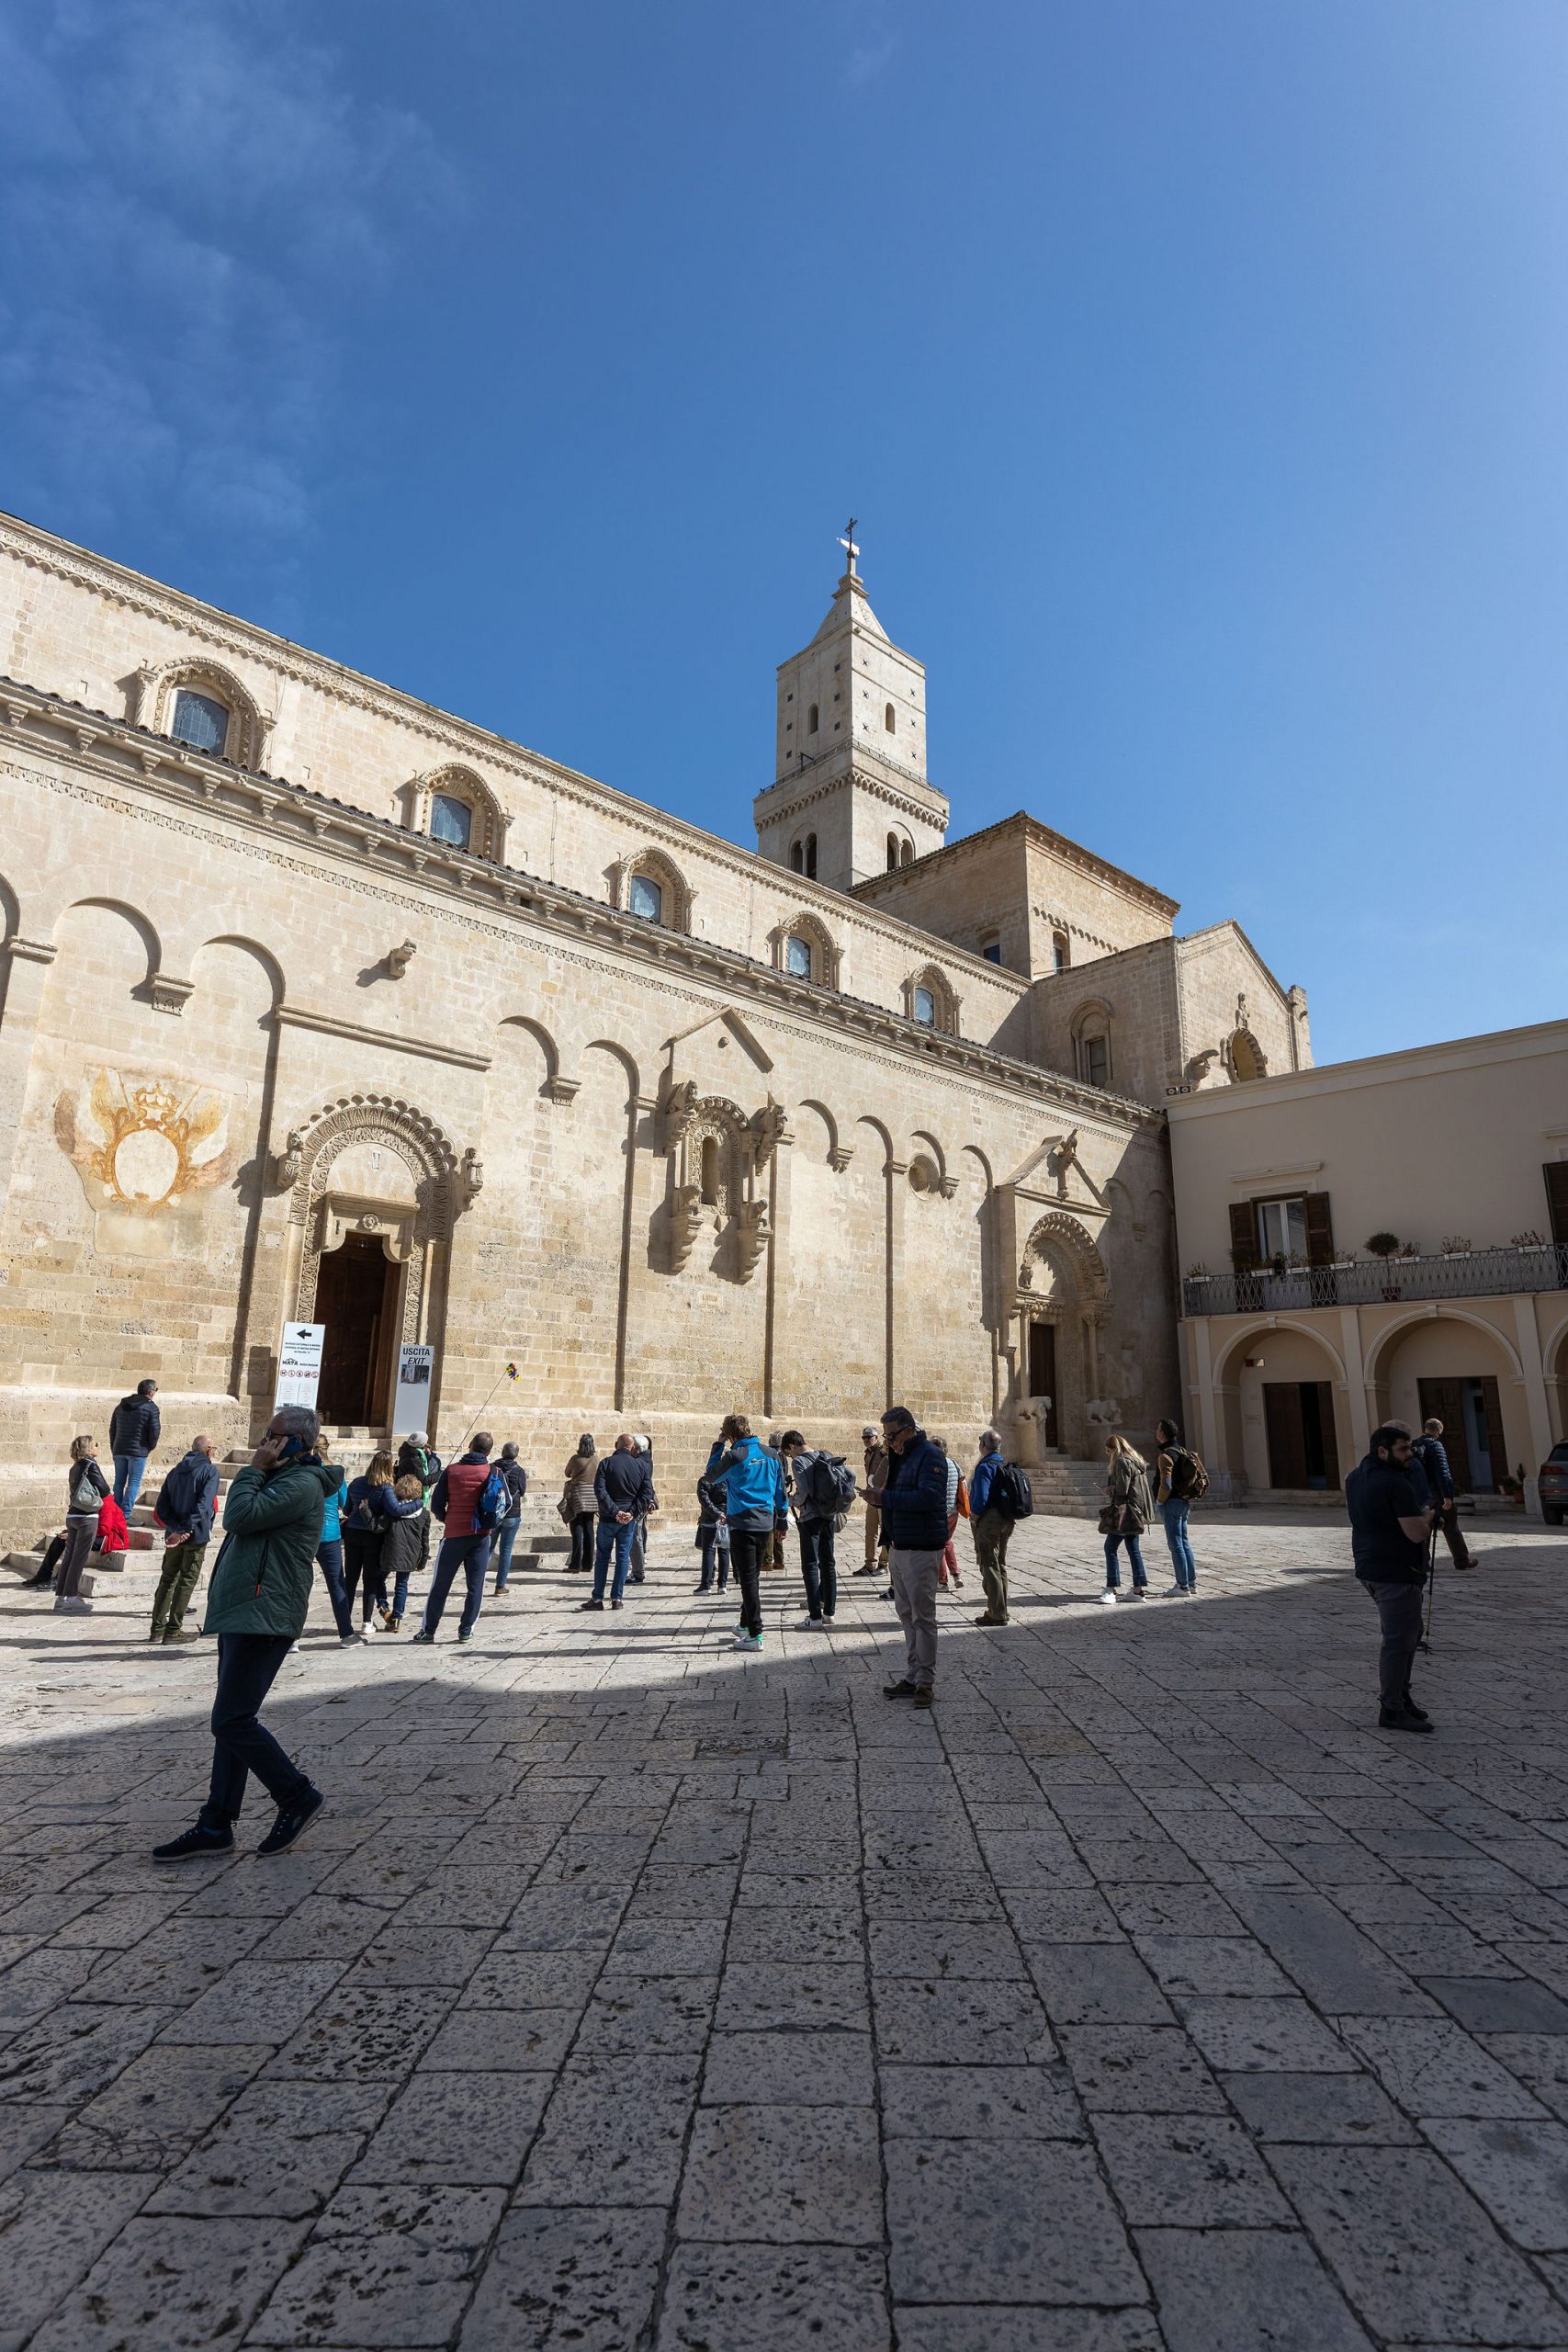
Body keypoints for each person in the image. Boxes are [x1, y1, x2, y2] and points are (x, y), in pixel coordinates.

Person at [152, 1404, 335, 1861]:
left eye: (271, 1436)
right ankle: (217, 1824)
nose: (262, 1443)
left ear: (293, 1442)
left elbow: (238, 1516)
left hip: (265, 1612)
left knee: (232, 1721)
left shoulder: (301, 1482)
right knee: (231, 1721)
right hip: (245, 1608)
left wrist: (253, 1471)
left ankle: (296, 1796)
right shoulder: (282, 1476)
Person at [1347, 1421, 1437, 1733]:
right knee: (1399, 1640)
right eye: (1403, 1449)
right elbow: (1415, 1533)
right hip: (1396, 1570)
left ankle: (1401, 1694)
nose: (1410, 1453)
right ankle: (1392, 1708)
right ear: (1382, 1451)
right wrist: (1428, 1516)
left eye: (1410, 1447)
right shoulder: (1396, 1484)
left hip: (1368, 1566)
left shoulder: (1355, 1478)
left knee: (1411, 1631)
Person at [879, 1407, 952, 1707]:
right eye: (886, 1436)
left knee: (923, 1617)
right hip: (899, 1545)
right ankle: (912, 1675)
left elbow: (928, 1498)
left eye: (892, 1435)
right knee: (906, 1615)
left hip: (921, 1547)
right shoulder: (902, 1456)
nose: (889, 1441)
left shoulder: (930, 1456)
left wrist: (883, 1497)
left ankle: (925, 1683)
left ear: (909, 1429)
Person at [705, 1414, 788, 1652]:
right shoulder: (771, 1454)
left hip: (742, 1525)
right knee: (753, 1577)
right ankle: (744, 1625)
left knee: (748, 1580)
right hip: (765, 1523)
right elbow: (780, 1490)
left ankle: (755, 1633)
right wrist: (781, 1521)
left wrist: (718, 1445)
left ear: (731, 1435)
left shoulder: (734, 1456)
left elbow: (711, 1476)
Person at [413, 1431, 499, 1645]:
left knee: (440, 1584)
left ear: (469, 1445)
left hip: (454, 1535)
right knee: (475, 1586)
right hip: (481, 1536)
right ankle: (466, 1630)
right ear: (488, 1452)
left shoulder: (452, 1471)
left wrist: (448, 1519)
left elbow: (436, 1505)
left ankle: (429, 1631)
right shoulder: (493, 1471)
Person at [148, 1432, 220, 1645]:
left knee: (168, 1580)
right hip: (194, 1534)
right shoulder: (209, 1471)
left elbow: (162, 1506)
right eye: (213, 1449)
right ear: (207, 1451)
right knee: (186, 1580)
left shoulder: (175, 1471)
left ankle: (157, 1629)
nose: (214, 1452)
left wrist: (175, 1529)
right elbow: (204, 1504)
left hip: (174, 1535)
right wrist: (185, 1529)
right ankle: (173, 1630)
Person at [342, 1452, 422, 1635]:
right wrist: (418, 1504)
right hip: (372, 1537)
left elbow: (347, 1509)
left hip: (353, 1533)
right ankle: (366, 1622)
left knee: (350, 1579)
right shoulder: (385, 1488)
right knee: (370, 1579)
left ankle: (344, 1620)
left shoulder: (356, 1483)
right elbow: (396, 1510)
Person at [581, 1433, 656, 1612]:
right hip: (628, 1520)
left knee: (602, 1558)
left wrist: (615, 1511)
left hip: (608, 1518)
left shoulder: (606, 1463)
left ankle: (598, 1598)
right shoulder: (641, 1466)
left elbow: (600, 1490)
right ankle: (617, 1598)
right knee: (622, 1557)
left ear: (616, 1445)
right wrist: (631, 1512)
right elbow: (647, 1493)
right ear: (632, 1448)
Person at [778, 1430, 842, 1628]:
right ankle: (829, 1613)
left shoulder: (799, 1462)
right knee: (828, 1563)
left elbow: (803, 1491)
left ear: (791, 1447)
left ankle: (814, 1616)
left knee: (810, 1566)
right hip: (828, 1516)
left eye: (788, 1453)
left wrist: (791, 1501)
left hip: (810, 1518)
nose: (790, 1457)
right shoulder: (825, 1455)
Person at [1413, 1418, 1477, 1573]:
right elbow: (1443, 1472)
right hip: (1437, 1494)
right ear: (1437, 1430)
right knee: (1451, 1527)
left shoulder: (1414, 1445)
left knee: (1424, 1527)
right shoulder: (1435, 1446)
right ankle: (1462, 1560)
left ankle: (1422, 1563)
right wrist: (1447, 1495)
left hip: (1420, 1494)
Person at [55, 1434, 109, 1613]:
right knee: (79, 1558)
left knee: (69, 1556)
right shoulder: (91, 1465)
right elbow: (104, 1489)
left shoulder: (75, 1467)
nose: (98, 1447)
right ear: (88, 1448)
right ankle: (71, 1597)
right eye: (96, 1444)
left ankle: (61, 1597)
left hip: (72, 1516)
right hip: (87, 1516)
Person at [1101, 1432, 1152, 1603]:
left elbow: (1122, 1490)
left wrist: (1109, 1490)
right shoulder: (1136, 1461)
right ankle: (1138, 1590)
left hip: (1124, 1511)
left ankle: (1111, 1588)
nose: (1108, 1455)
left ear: (1113, 1449)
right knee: (1133, 1550)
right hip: (1135, 1510)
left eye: (1108, 1452)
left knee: (1110, 1548)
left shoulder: (1122, 1462)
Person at [313, 1442, 355, 1644]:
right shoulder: (335, 1474)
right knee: (337, 1584)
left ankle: (291, 1639)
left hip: (305, 1534)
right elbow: (344, 1503)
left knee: (297, 1586)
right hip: (330, 1534)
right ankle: (346, 1634)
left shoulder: (303, 1471)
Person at [1154, 1419, 1201, 1597]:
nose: (1156, 1432)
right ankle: (1191, 1582)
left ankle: (1182, 1586)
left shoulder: (1166, 1455)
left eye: (1157, 1429)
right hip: (1183, 1502)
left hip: (1171, 1502)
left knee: (1175, 1545)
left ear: (1162, 1433)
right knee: (1184, 1542)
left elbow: (1166, 1483)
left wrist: (1159, 1501)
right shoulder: (1182, 1451)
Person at [969, 1430, 1011, 1626]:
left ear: (983, 1445)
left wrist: (975, 1517)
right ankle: (1002, 1609)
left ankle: (996, 1613)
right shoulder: (1004, 1464)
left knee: (988, 1564)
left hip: (990, 1520)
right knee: (999, 1564)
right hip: (1006, 1519)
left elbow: (981, 1497)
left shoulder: (985, 1466)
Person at [381, 1474, 431, 1630]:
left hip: (391, 1550)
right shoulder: (424, 1514)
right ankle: (396, 1617)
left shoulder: (393, 1511)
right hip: (411, 1553)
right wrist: (422, 1561)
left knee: (377, 1580)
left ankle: (383, 1607)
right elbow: (425, 1540)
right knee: (401, 1585)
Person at [109, 1377, 160, 1513]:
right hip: (138, 1451)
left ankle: (115, 1512)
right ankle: (125, 1514)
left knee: (118, 1482)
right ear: (150, 1391)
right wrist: (149, 1447)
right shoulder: (151, 1407)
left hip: (119, 1449)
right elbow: (154, 1431)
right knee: (133, 1483)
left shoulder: (120, 1406)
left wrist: (114, 1448)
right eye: (155, 1389)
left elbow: (112, 1429)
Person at [489, 1441, 528, 1593]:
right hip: (512, 1514)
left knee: (488, 1549)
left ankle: (477, 1582)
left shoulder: (492, 1468)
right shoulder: (519, 1471)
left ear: (502, 1451)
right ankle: (500, 1586)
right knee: (506, 1550)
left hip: (493, 1514)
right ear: (516, 1454)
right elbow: (523, 1490)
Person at [694, 1452, 731, 1596]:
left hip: (710, 1519)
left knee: (709, 1551)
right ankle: (722, 1585)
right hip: (725, 1519)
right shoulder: (728, 1480)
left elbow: (705, 1501)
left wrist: (716, 1514)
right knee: (724, 1551)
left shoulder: (704, 1481)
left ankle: (706, 1585)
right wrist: (724, 1514)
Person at [560, 1434, 598, 1572]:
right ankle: (588, 1564)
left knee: (577, 1529)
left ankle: (575, 1564)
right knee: (589, 1528)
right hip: (592, 1496)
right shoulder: (596, 1460)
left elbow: (567, 1473)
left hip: (577, 1495)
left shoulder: (575, 1459)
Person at [933, 1438, 964, 1591]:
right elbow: (962, 1482)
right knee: (947, 1542)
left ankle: (942, 1581)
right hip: (953, 1511)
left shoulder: (934, 1466)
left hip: (939, 1512)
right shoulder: (953, 1463)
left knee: (938, 1545)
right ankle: (956, 1574)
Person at [853, 1425, 886, 1577]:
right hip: (871, 1496)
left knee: (885, 1531)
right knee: (870, 1531)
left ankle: (884, 1564)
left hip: (882, 1496)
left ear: (877, 1437)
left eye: (869, 1437)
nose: (866, 1440)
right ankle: (870, 1564)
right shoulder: (867, 1454)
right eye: (864, 1437)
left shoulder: (883, 1452)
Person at [627, 1434, 657, 1584]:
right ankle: (636, 1570)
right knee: (637, 1535)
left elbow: (644, 1485)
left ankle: (638, 1573)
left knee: (635, 1537)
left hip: (638, 1503)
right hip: (642, 1502)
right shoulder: (646, 1459)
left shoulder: (641, 1462)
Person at [395, 1430, 442, 1499]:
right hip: (409, 1493)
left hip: (403, 1488)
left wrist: (426, 1454)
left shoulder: (405, 1451)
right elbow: (424, 1480)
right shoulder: (414, 1459)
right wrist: (441, 1473)